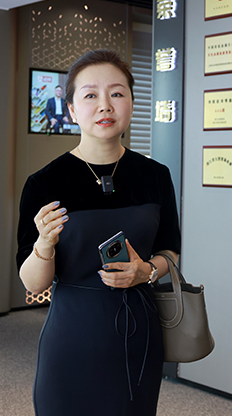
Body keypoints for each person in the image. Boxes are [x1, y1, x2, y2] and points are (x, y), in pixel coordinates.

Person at [17, 49, 180, 415]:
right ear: (72, 110)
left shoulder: (155, 176)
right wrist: (45, 243)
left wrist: (146, 271)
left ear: (132, 102)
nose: (105, 105)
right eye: (90, 95)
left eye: (117, 93)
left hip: (139, 333)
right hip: (72, 334)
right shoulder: (44, 183)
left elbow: (170, 251)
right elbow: (33, 283)